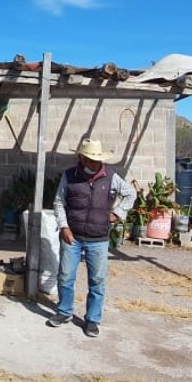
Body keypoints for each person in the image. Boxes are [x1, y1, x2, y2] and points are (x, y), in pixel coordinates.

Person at [48, 138, 136, 338]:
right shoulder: (70, 176)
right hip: (73, 236)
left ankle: (92, 320)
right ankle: (64, 312)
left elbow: (130, 195)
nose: (95, 164)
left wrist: (118, 213)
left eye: (97, 160)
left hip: (99, 238)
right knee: (65, 276)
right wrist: (64, 227)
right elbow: (59, 202)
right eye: (91, 159)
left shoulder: (111, 177)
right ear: (82, 158)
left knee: (97, 280)